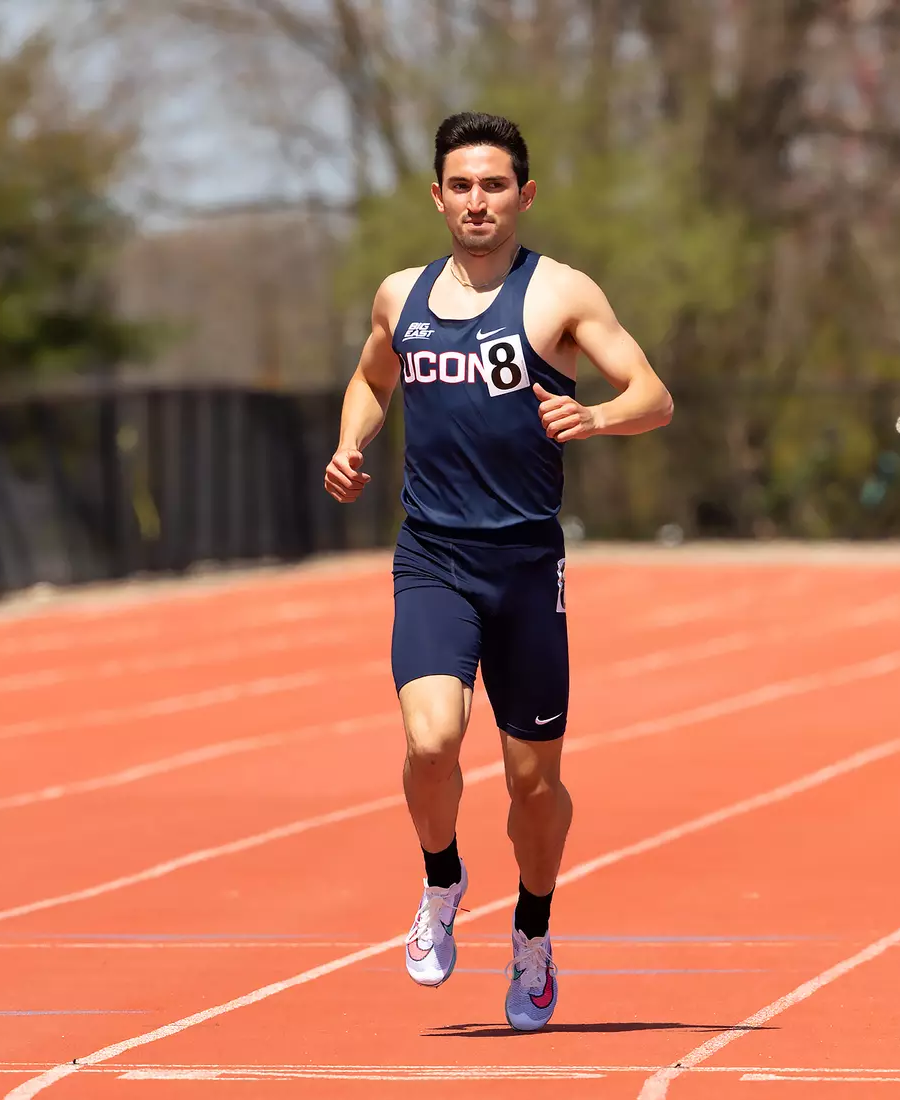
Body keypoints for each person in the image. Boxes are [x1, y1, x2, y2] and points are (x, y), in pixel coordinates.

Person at [322, 112, 674, 1030]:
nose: (477, 201)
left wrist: (595, 418)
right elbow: (372, 379)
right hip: (432, 556)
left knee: (532, 787)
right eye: (461, 186)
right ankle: (442, 879)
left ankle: (533, 928)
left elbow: (653, 394)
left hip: (524, 565)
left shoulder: (560, 293)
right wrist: (352, 442)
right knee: (432, 741)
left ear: (524, 194)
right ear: (438, 197)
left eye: (494, 185)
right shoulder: (400, 296)